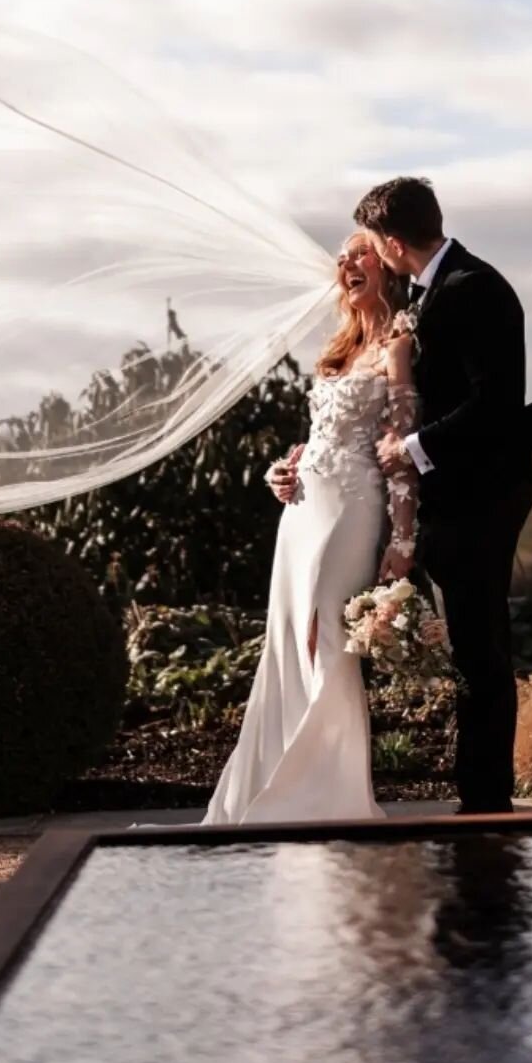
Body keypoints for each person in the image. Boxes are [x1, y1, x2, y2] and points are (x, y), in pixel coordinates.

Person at [202, 234, 418, 825]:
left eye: (360, 253)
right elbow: (319, 437)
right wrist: (284, 468)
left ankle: (326, 790)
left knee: (327, 639)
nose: (347, 263)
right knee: (289, 637)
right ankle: (274, 779)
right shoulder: (339, 348)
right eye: (344, 257)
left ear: (384, 264)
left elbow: (397, 452)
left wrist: (403, 540)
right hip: (301, 509)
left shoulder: (398, 347)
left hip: (352, 505)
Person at [355, 177, 532, 814]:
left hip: (488, 490)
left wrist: (412, 449)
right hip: (457, 491)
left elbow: (493, 403)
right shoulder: (425, 291)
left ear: (391, 242)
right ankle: (478, 791)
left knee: (481, 646)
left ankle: (486, 799)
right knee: (471, 642)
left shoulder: (477, 289)